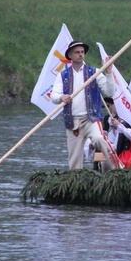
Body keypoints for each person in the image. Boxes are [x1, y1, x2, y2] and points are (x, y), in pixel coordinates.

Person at [50, 40, 118, 169]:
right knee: (74, 158)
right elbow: (54, 97)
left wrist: (109, 73)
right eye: (77, 52)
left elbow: (109, 92)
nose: (80, 54)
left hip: (91, 119)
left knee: (99, 139)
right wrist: (61, 97)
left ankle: (110, 170)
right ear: (70, 55)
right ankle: (76, 181)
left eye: (82, 52)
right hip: (73, 121)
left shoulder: (95, 72)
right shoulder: (63, 75)